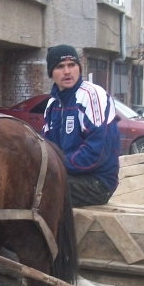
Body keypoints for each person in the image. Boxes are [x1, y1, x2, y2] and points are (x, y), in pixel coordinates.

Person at [41, 44, 120, 208]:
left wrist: (58, 166)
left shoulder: (92, 95)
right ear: (51, 73)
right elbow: (46, 146)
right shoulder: (52, 104)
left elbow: (97, 152)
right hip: (66, 175)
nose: (67, 71)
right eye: (60, 67)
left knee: (36, 189)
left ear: (79, 68)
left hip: (98, 182)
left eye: (72, 65)